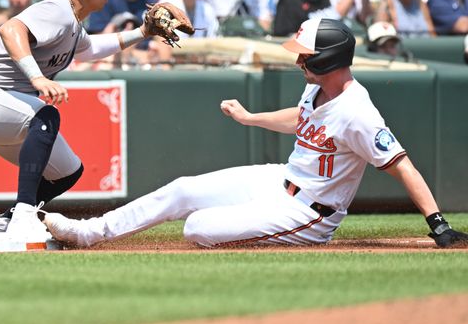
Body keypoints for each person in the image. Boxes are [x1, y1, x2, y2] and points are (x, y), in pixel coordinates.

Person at [44, 18, 468, 249]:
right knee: (183, 189)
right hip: (279, 179)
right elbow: (300, 118)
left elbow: (402, 165)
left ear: (329, 57)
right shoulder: (316, 88)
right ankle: (88, 232)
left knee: (197, 228)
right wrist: (251, 118)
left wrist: (438, 224)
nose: (299, 61)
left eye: (305, 55)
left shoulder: (359, 112)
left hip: (309, 214)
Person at [0, 0, 165, 239]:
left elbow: (91, 50)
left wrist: (142, 33)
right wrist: (37, 78)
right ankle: (25, 215)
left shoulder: (73, 24)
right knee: (46, 116)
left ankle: (9, 218)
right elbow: (11, 29)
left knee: (67, 171)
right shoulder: (58, 9)